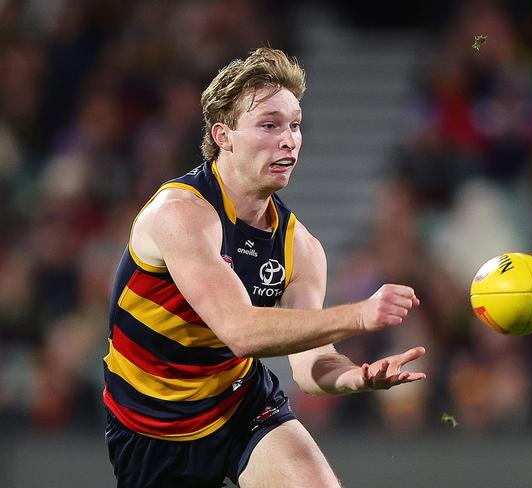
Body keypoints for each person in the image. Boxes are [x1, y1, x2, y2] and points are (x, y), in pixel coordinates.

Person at [103, 47, 426, 488]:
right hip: (151, 425)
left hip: (239, 403)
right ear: (224, 135)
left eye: (295, 125)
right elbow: (240, 331)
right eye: (270, 125)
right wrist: (358, 315)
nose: (288, 139)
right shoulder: (180, 213)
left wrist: (352, 377)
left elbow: (310, 364)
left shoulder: (302, 248)